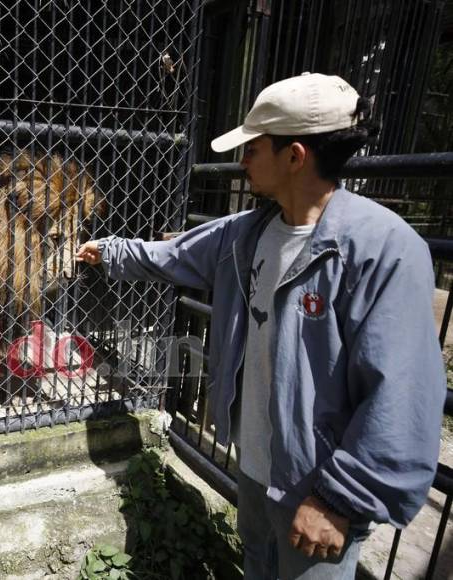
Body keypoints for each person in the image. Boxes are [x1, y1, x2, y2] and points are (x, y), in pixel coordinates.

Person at [76, 72, 446, 579]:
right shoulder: (249, 231)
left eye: (253, 147)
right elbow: (173, 255)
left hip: (319, 488)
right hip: (255, 463)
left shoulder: (384, 250)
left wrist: (340, 500)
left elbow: (402, 395)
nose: (243, 160)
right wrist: (107, 252)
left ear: (295, 156)